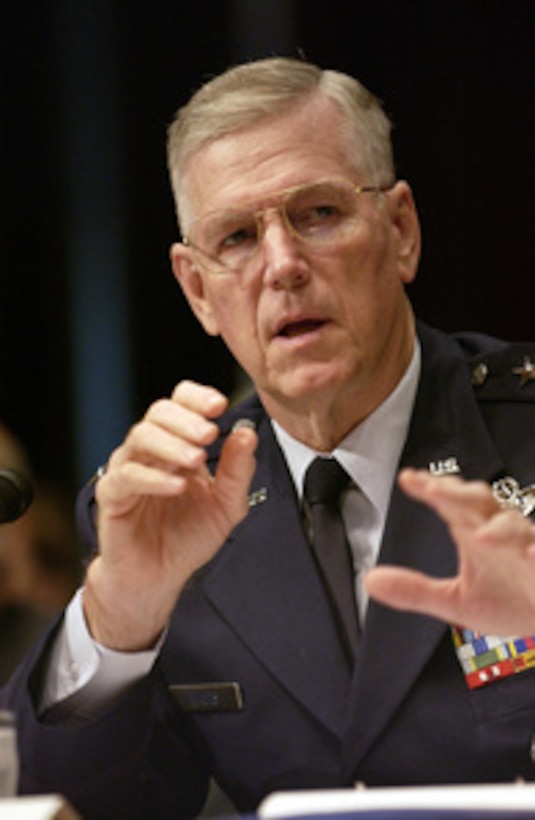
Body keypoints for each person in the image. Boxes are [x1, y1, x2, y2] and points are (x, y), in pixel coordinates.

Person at [1, 57, 534, 819]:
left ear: (401, 231)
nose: (282, 265)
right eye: (238, 237)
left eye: (318, 213)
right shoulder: (172, 505)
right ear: (196, 290)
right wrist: (118, 617)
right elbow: (70, 806)